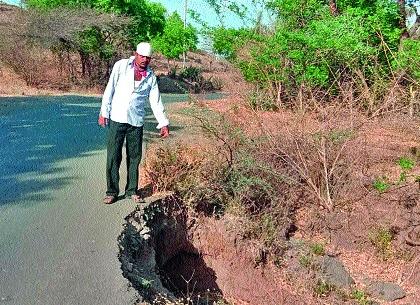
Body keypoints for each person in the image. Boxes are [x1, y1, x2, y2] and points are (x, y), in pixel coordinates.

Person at [98, 42, 169, 204]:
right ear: (135, 54)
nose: (144, 60)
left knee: (134, 157)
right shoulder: (121, 66)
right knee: (113, 156)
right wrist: (104, 111)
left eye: (148, 57)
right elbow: (110, 89)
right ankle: (112, 191)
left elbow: (155, 101)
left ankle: (131, 190)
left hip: (136, 121)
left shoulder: (150, 76)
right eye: (142, 56)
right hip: (117, 117)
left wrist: (163, 123)